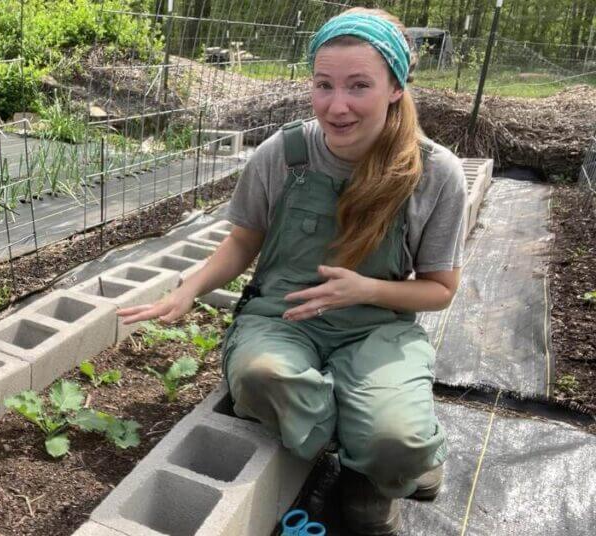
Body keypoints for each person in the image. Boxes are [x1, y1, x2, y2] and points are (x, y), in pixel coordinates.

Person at [118, 7, 467, 536]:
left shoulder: (433, 172)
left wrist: (365, 289)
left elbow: (441, 291)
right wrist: (186, 289)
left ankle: (385, 463)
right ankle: (370, 451)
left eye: (358, 86)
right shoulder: (285, 155)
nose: (337, 105)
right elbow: (242, 243)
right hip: (281, 319)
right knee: (263, 376)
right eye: (323, 85)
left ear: (396, 87)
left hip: (376, 327)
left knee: (397, 438)